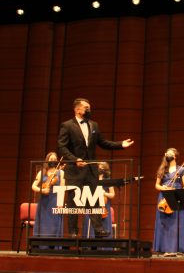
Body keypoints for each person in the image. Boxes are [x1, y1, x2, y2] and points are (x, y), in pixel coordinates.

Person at [57, 98, 134, 237]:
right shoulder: (67, 125)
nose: (89, 110)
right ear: (77, 109)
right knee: (74, 201)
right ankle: (73, 232)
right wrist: (75, 160)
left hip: (90, 170)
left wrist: (120, 144)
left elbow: (103, 143)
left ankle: (98, 230)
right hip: (74, 170)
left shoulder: (94, 125)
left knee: (94, 198)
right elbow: (62, 147)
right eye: (86, 107)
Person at [152, 149, 184, 255]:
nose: (168, 154)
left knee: (175, 223)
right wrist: (163, 188)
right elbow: (157, 185)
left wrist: (177, 191)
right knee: (164, 223)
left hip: (176, 197)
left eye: (170, 153)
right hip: (163, 198)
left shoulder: (182, 169)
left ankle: (175, 249)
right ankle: (163, 248)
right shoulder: (162, 169)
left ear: (175, 156)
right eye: (166, 153)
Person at [32, 152, 65, 238]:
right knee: (43, 224)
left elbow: (62, 189)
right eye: (51, 159)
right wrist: (42, 190)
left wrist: (60, 203)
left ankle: (53, 246)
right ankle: (41, 245)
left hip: (55, 201)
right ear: (47, 161)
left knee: (54, 224)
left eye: (55, 159)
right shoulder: (41, 172)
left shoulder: (61, 172)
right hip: (44, 202)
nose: (53, 161)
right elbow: (33, 186)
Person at [84, 161, 115, 238]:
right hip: (93, 205)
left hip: (104, 207)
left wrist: (104, 193)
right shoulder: (92, 179)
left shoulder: (108, 180)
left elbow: (112, 195)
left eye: (102, 168)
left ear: (105, 170)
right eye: (99, 167)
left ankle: (104, 248)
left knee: (104, 226)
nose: (100, 169)